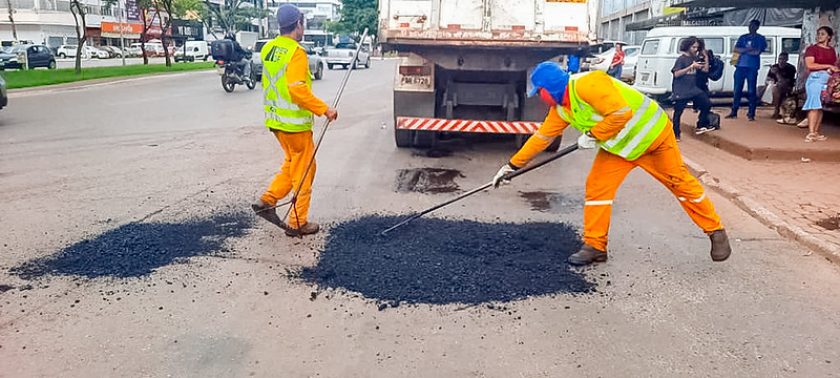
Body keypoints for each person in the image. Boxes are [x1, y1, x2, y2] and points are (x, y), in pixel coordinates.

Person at [492, 62, 731, 266]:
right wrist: (512, 166)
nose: (540, 96)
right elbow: (541, 138)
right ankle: (595, 246)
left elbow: (620, 113)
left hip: (653, 138)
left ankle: (715, 231)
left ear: (551, 87)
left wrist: (594, 134)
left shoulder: (588, 84)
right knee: (596, 186)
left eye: (540, 91)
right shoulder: (561, 110)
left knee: (680, 183)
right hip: (621, 150)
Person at [251, 4, 339, 236]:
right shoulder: (296, 52)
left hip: (276, 121)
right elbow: (297, 90)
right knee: (305, 171)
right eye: (303, 23)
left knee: (292, 164)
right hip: (294, 125)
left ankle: (267, 200)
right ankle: (298, 222)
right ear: (298, 24)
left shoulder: (269, 48)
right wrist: (324, 109)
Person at [671, 37, 713, 140]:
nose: (695, 49)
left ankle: (701, 124)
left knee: (706, 103)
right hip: (681, 90)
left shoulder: (695, 58)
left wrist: (706, 57)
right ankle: (675, 133)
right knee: (678, 112)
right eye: (693, 47)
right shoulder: (681, 59)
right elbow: (676, 74)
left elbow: (705, 70)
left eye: (697, 47)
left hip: (693, 89)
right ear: (688, 47)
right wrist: (690, 67)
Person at [802, 26, 838, 142]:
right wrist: (828, 66)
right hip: (815, 79)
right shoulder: (812, 49)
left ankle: (816, 132)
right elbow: (810, 65)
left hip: (827, 79)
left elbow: (835, 64)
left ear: (829, 36)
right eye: (818, 34)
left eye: (822, 34)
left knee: (820, 106)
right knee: (814, 104)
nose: (819, 36)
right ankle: (811, 133)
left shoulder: (832, 50)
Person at [727, 20, 767, 121]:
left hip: (752, 67)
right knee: (737, 90)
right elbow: (736, 50)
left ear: (757, 27)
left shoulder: (760, 38)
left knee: (751, 91)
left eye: (753, 26)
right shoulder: (743, 37)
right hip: (740, 66)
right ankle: (734, 111)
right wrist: (735, 61)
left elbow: (757, 52)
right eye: (750, 25)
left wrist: (743, 50)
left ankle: (751, 114)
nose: (750, 27)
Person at [767, 52, 797, 119]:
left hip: (787, 87)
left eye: (783, 59)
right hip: (774, 85)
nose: (781, 61)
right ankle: (774, 105)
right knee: (760, 89)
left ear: (787, 59)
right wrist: (770, 81)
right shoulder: (775, 66)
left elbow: (785, 82)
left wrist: (777, 73)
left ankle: (776, 109)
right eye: (779, 59)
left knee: (776, 89)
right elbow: (768, 78)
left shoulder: (791, 68)